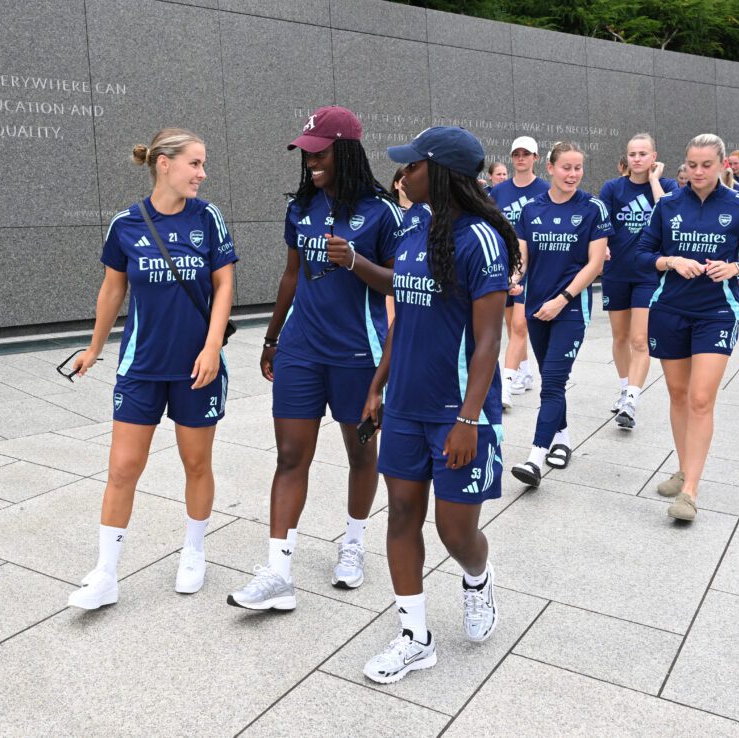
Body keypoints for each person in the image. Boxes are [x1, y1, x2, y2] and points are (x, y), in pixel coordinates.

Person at [360, 126, 520, 683]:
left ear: (442, 172)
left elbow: (488, 341)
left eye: (413, 166)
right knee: (402, 514)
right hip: (404, 404)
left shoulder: (480, 239)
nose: (402, 175)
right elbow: (402, 302)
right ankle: (414, 636)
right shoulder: (410, 224)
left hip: (458, 412)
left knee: (455, 531)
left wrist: (469, 418)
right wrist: (378, 386)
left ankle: (478, 578)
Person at [227, 106, 402, 611]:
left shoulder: (382, 213)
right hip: (301, 349)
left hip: (357, 353)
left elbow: (401, 284)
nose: (311, 164)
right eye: (306, 155)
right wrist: (271, 337)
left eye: (319, 154)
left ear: (344, 151)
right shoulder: (299, 207)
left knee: (360, 453)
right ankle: (278, 574)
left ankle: (353, 542)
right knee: (289, 455)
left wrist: (356, 260)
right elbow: (290, 275)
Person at [66, 128, 238, 609]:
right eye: (195, 164)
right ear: (164, 163)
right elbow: (112, 290)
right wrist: (94, 348)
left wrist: (210, 347)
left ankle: (194, 550)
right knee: (122, 468)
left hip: (196, 367)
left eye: (203, 165)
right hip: (141, 366)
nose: (202, 174)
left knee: (196, 463)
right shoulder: (126, 223)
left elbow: (225, 286)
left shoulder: (208, 219)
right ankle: (104, 574)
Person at [636, 133, 739, 521]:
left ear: (723, 164)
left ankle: (690, 491)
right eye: (691, 164)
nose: (697, 172)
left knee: (700, 398)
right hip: (669, 308)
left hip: (717, 312)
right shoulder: (667, 205)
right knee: (678, 395)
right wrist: (671, 262)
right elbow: (644, 253)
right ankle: (684, 467)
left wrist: (737, 267)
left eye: (706, 165)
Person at [510, 142, 612, 487]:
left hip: (571, 308)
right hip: (536, 307)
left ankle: (535, 458)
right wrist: (514, 278)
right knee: (550, 377)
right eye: (566, 167)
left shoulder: (592, 209)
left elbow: (595, 263)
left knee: (552, 382)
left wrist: (563, 299)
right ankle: (563, 437)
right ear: (550, 169)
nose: (572, 174)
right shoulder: (531, 210)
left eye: (578, 168)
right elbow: (522, 257)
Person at [598, 133, 678, 428]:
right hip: (617, 272)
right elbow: (602, 223)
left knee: (639, 339)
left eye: (643, 154)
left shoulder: (667, 186)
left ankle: (632, 399)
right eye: (633, 154)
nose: (637, 159)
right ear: (626, 157)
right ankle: (623, 389)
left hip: (649, 275)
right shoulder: (613, 187)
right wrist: (602, 246)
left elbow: (668, 213)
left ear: (654, 156)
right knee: (620, 337)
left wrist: (655, 180)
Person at [490, 136, 546, 407]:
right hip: (504, 265)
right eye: (516, 154)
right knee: (512, 323)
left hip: (532, 266)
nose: (521, 158)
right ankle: (524, 371)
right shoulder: (498, 192)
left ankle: (506, 383)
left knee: (519, 324)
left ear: (536, 158)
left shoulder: (545, 190)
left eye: (526, 153)